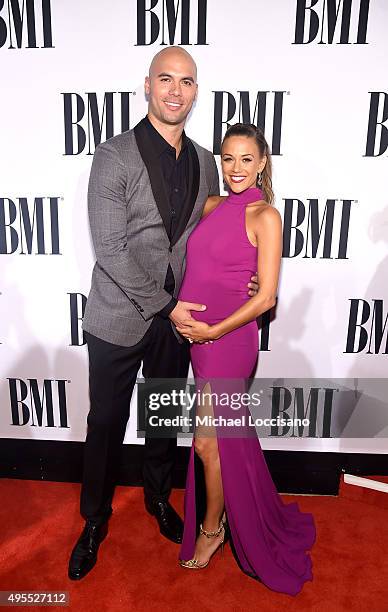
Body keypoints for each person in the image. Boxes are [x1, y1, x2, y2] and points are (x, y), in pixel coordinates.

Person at [68, 47, 259, 580]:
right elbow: (110, 249)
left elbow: (217, 232)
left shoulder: (203, 159)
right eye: (166, 79)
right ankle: (93, 521)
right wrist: (169, 307)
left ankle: (157, 500)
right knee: (105, 423)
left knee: (162, 423)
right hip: (119, 317)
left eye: (187, 81)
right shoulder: (113, 156)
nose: (176, 90)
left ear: (196, 92)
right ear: (147, 86)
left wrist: (247, 275)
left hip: (178, 324)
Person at [176, 123, 316, 596]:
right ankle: (228, 519)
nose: (235, 168)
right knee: (214, 443)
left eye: (245, 159)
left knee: (208, 445)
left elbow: (266, 296)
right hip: (200, 341)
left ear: (261, 163)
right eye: (227, 158)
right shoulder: (212, 205)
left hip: (229, 340)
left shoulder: (265, 215)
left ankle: (213, 532)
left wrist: (215, 328)